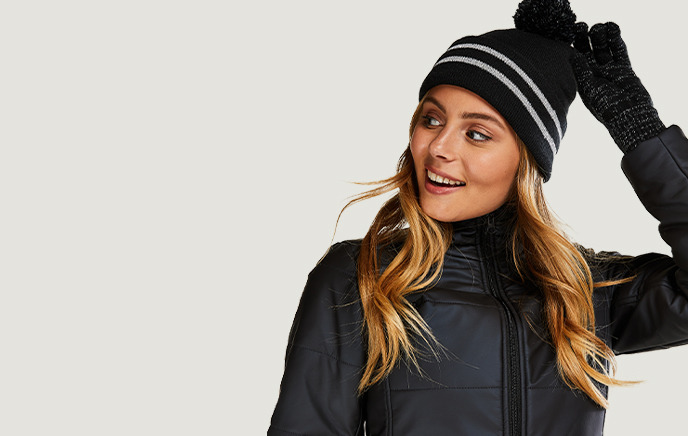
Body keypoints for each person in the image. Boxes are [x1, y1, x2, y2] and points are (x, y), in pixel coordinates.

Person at [267, 0, 688, 434]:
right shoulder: (361, 275)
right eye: (432, 120)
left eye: (476, 133)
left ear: (527, 160)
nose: (438, 148)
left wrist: (643, 136)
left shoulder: (583, 290)